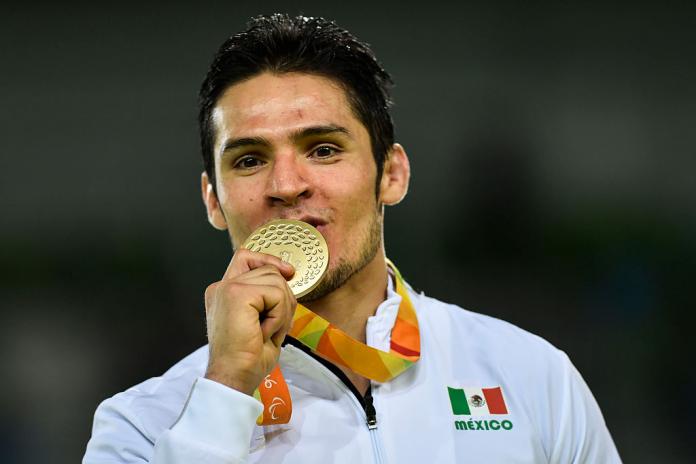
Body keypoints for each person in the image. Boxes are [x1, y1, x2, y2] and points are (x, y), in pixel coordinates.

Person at [83, 14, 621, 463]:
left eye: (323, 149)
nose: (287, 185)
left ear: (392, 174)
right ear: (213, 201)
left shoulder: (532, 376)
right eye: (249, 160)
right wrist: (225, 389)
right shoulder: (141, 424)